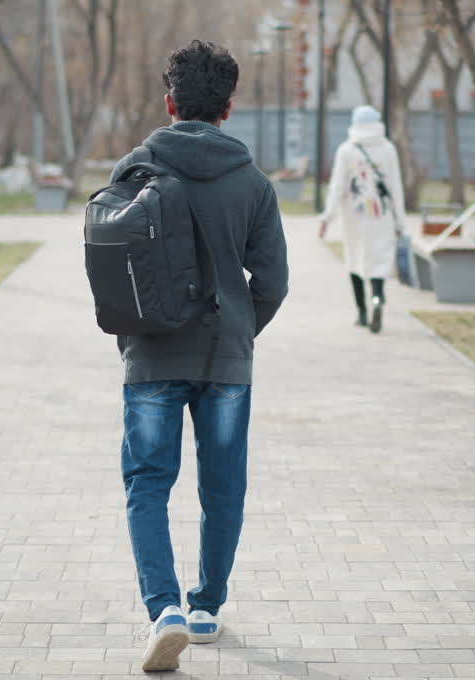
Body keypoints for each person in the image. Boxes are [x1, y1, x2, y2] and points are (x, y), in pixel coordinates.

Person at [109, 40, 289, 673]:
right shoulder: (253, 182)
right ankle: (207, 607)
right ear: (228, 109)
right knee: (223, 485)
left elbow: (111, 262)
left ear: (169, 102)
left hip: (153, 355)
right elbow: (273, 281)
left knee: (147, 485)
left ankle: (164, 611)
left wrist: (136, 332)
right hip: (225, 359)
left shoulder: (135, 168)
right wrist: (240, 328)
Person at [318, 105, 405, 334]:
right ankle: (377, 298)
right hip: (381, 216)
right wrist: (400, 222)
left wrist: (327, 218)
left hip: (355, 217)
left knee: (355, 259)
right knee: (379, 261)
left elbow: (337, 187)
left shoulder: (347, 150)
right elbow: (396, 187)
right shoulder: (388, 149)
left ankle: (362, 313)